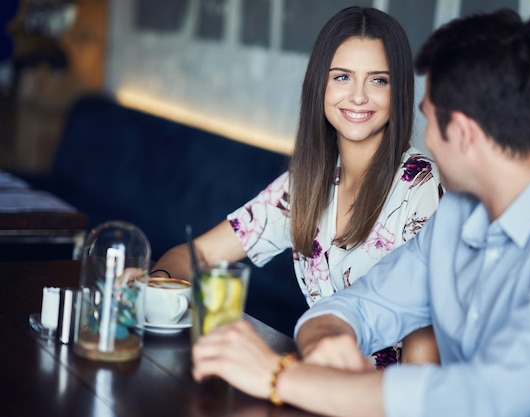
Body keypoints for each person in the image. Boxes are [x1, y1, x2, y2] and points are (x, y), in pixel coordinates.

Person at [190, 8, 530, 417]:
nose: (426, 141)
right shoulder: (457, 217)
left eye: (429, 120)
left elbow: (484, 398)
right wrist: (328, 337)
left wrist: (278, 375)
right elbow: (359, 305)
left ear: (463, 133)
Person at [151, 6, 442, 366]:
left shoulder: (421, 185)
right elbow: (201, 255)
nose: (358, 96)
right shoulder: (306, 181)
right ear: (319, 82)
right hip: (319, 386)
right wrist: (152, 287)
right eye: (342, 77)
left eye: (378, 80)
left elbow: (424, 348)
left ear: (398, 90)